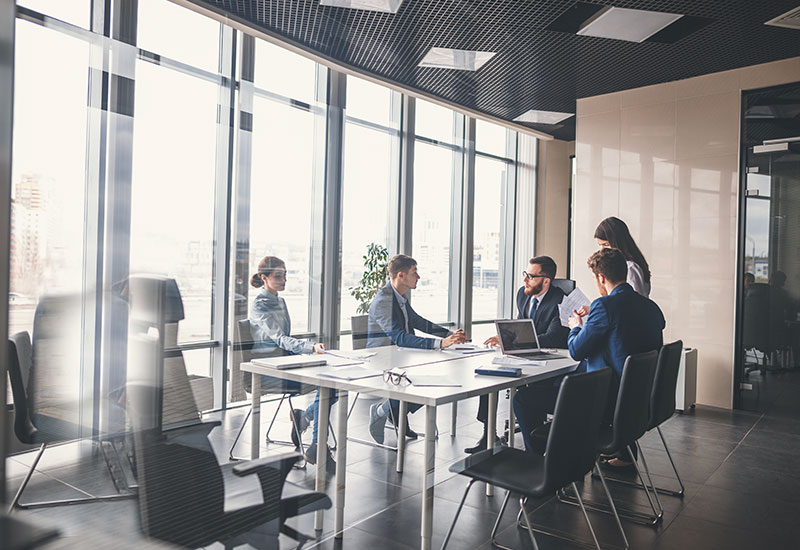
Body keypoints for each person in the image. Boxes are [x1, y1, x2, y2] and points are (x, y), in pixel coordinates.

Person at [512, 248, 665, 463]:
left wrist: (576, 327)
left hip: (603, 402)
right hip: (637, 402)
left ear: (601, 278)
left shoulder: (604, 306)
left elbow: (576, 351)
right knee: (555, 385)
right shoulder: (651, 307)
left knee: (523, 399)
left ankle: (539, 464)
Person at [466, 256, 569, 454]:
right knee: (490, 375)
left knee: (526, 395)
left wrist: (514, 341)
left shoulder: (560, 301)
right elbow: (521, 326)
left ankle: (537, 446)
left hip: (550, 360)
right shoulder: (523, 294)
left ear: (546, 280)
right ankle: (489, 435)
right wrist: (505, 337)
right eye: (525, 274)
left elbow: (553, 337)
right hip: (523, 354)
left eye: (531, 276)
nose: (525, 280)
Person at [366, 254, 467, 444]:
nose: (418, 277)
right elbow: (399, 337)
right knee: (425, 383)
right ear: (401, 275)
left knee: (433, 381)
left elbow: (418, 322)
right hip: (382, 360)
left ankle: (393, 411)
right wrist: (440, 344)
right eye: (415, 273)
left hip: (400, 357)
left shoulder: (399, 297)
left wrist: (449, 335)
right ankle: (383, 411)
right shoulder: (383, 300)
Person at [249, 255, 335, 469]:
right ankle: (316, 444)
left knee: (332, 383)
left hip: (285, 362)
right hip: (269, 369)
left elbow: (285, 340)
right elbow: (279, 338)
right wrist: (310, 347)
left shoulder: (280, 300)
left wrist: (308, 351)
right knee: (327, 386)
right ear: (264, 277)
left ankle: (304, 419)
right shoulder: (259, 304)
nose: (284, 280)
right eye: (279, 276)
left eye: (285, 275)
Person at [594, 216, 652, 297]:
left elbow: (633, 304)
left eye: (606, 245)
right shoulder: (623, 265)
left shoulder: (631, 268)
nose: (602, 250)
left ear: (617, 242)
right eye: (601, 245)